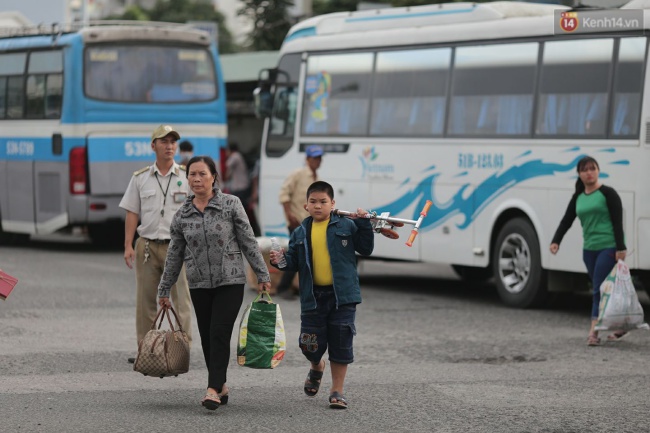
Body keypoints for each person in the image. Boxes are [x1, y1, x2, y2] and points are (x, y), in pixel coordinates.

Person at [157, 155, 271, 411]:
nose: (197, 179)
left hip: (230, 281)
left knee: (219, 331)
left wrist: (262, 274)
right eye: (192, 175)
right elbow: (174, 255)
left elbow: (248, 241)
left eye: (202, 174)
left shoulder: (231, 204)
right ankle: (220, 385)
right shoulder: (182, 215)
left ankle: (211, 389)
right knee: (208, 337)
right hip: (198, 284)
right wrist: (164, 289)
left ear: (213, 177)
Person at [269, 181, 374, 409]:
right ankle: (316, 366)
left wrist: (364, 224)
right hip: (312, 297)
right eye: (313, 202)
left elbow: (366, 249)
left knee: (341, 343)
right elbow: (293, 262)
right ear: (306, 205)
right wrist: (280, 261)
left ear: (333, 203)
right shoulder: (300, 232)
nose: (318, 206)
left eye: (323, 202)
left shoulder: (347, 225)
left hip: (342, 296)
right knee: (309, 344)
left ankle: (337, 391)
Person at [119, 125, 193, 364]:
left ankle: (182, 350)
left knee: (181, 299)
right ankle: (146, 349)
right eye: (164, 141)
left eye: (173, 142)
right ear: (153, 146)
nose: (170, 146)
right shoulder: (140, 178)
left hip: (177, 246)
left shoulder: (186, 176)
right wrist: (128, 245)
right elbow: (132, 211)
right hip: (148, 246)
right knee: (145, 300)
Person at [550, 156, 627, 347]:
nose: (589, 173)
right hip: (589, 250)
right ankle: (621, 324)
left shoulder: (608, 193)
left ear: (598, 171)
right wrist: (556, 241)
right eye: (584, 170)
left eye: (592, 169)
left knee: (597, 288)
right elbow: (566, 220)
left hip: (608, 247)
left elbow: (618, 222)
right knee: (605, 289)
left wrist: (620, 247)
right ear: (579, 174)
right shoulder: (578, 197)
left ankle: (594, 331)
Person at [275, 145, 324, 298]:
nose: (317, 161)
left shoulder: (318, 178)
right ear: (307, 159)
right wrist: (289, 215)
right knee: (297, 256)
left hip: (310, 223)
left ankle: (302, 288)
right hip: (297, 223)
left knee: (308, 256)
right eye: (314, 158)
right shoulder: (298, 174)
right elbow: (284, 194)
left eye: (319, 158)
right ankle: (283, 288)